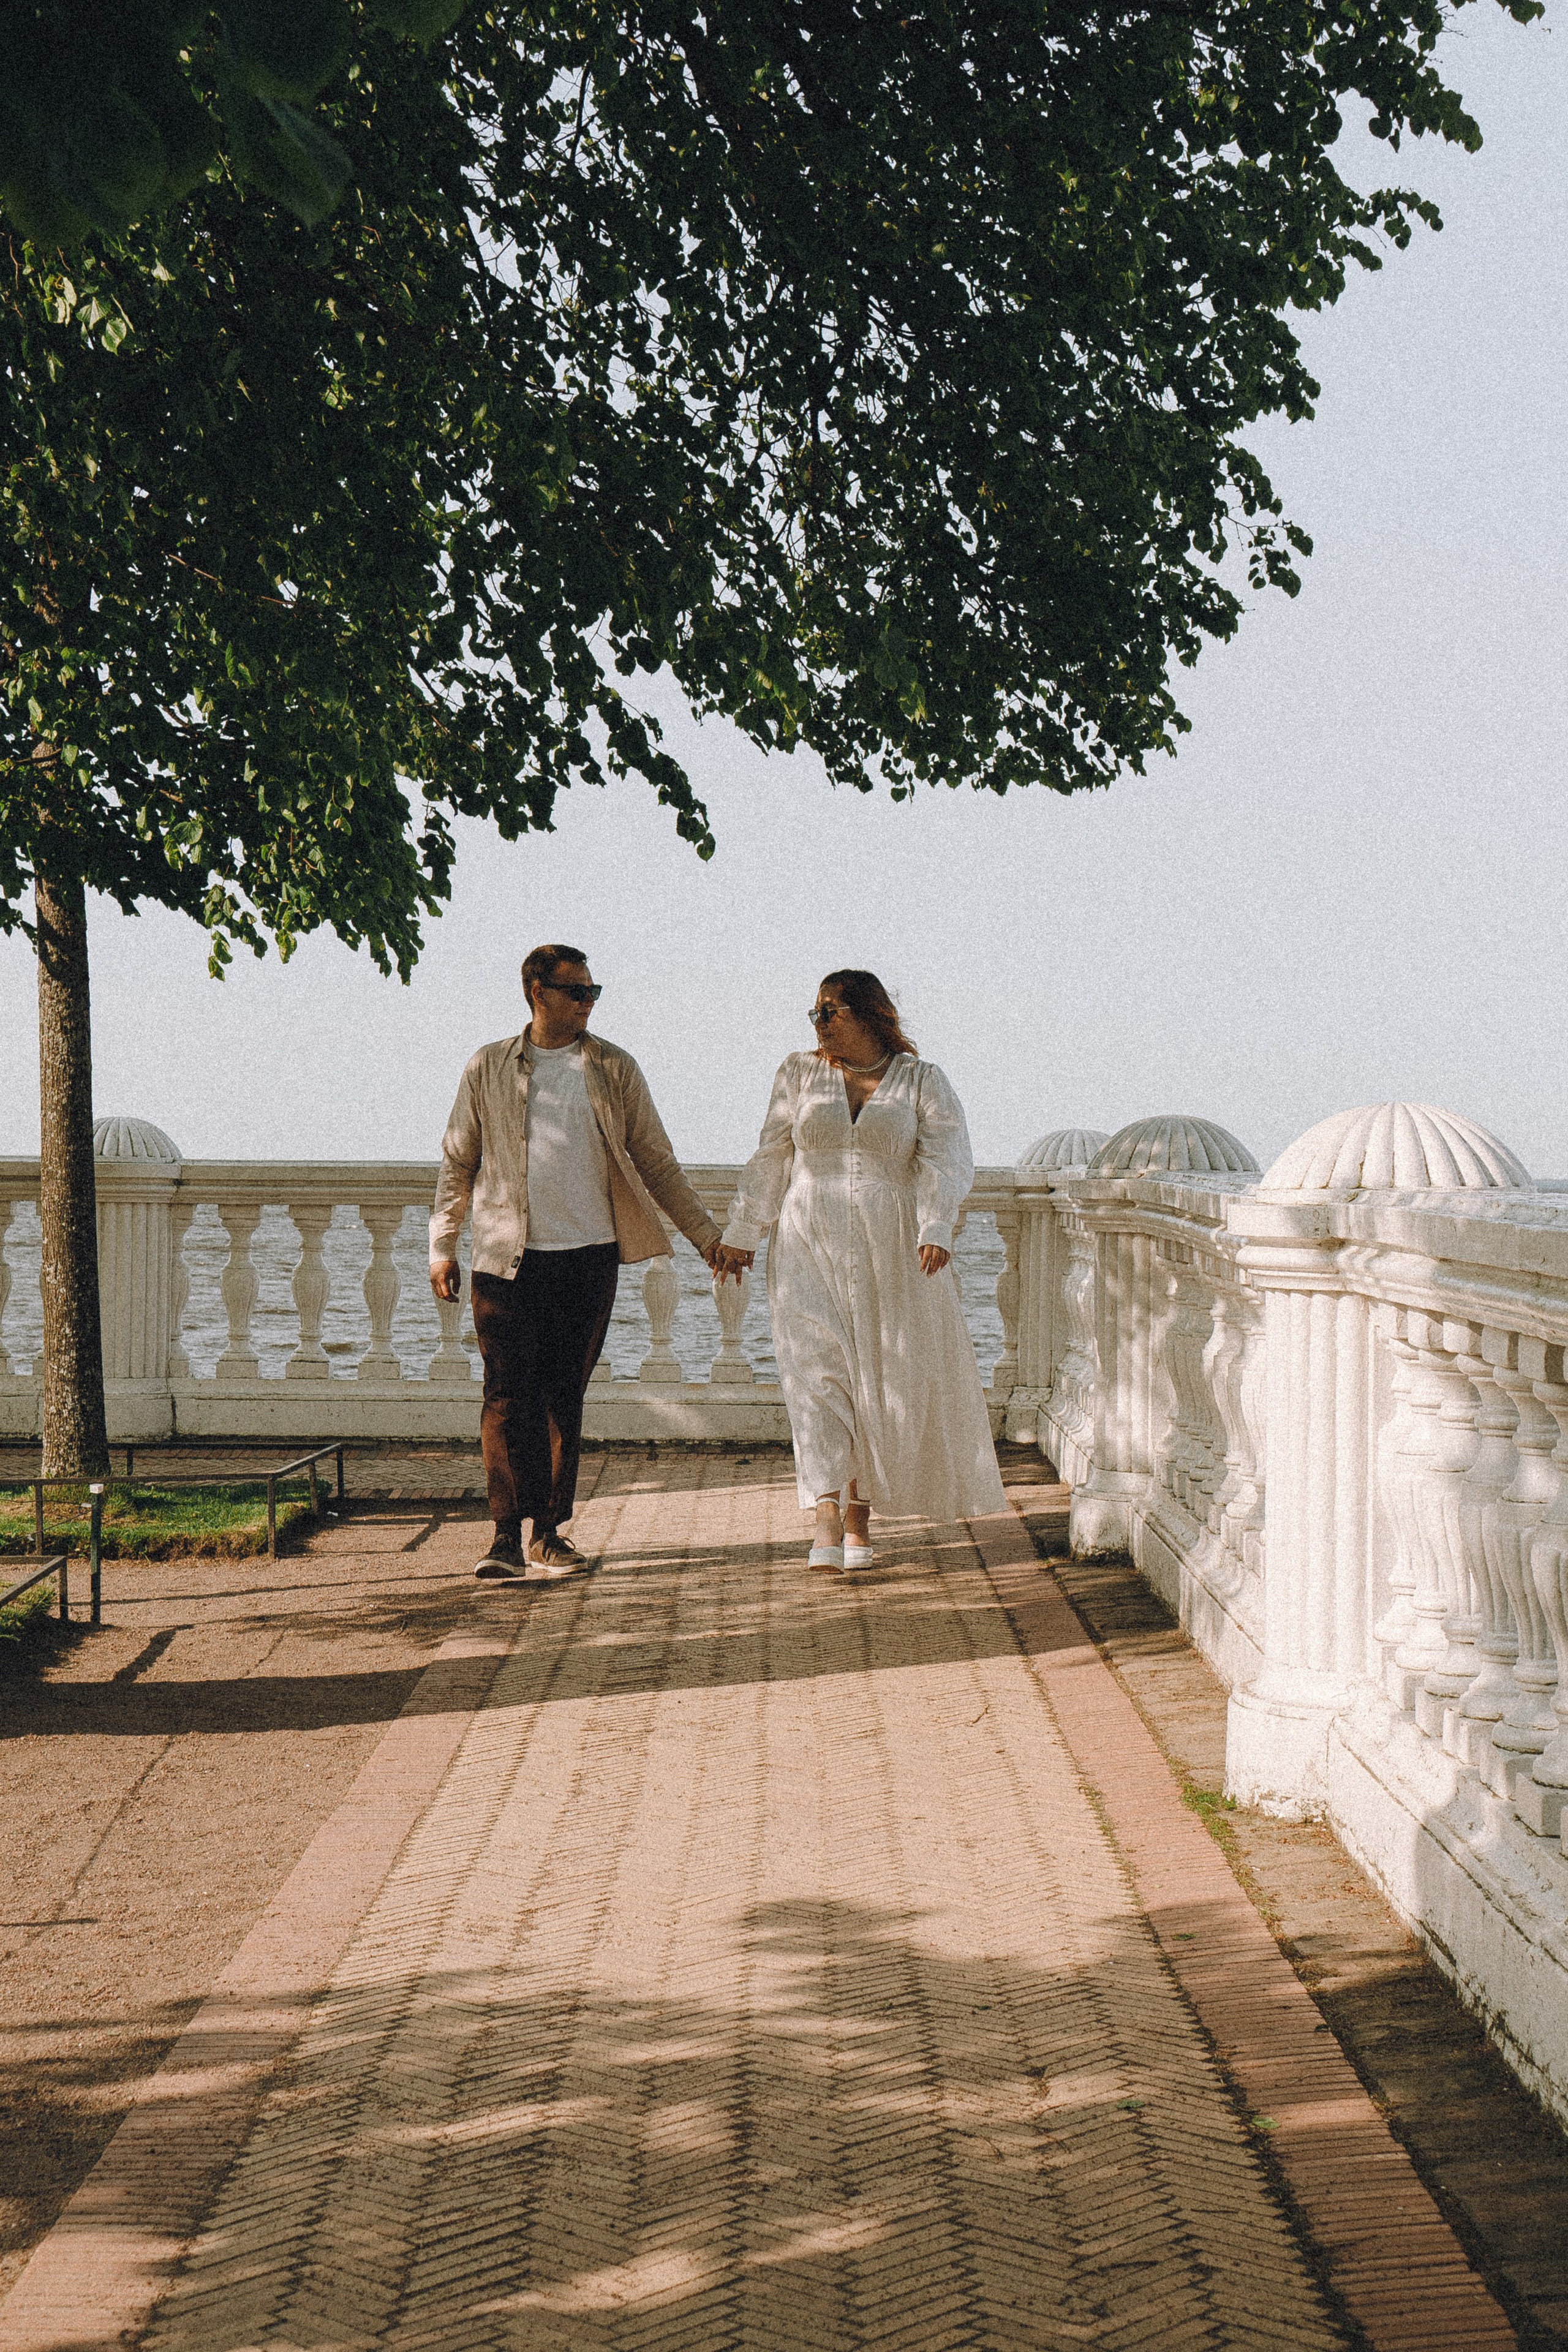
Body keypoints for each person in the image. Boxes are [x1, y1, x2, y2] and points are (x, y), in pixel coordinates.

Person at [431, 944, 724, 1580]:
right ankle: (505, 1537)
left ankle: (549, 1535)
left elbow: (656, 1160)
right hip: (505, 1260)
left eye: (594, 992)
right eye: (577, 991)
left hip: (587, 1257)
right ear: (539, 993)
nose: (589, 1002)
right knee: (506, 1395)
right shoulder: (487, 1066)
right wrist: (441, 1244)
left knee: (563, 1396)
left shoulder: (614, 1068)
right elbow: (459, 1160)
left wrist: (706, 1238)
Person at [714, 969, 1005, 1570]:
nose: (819, 1023)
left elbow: (946, 1160)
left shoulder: (922, 1081)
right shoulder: (798, 1074)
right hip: (806, 1236)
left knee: (882, 1376)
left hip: (893, 1241)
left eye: (831, 1011)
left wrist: (934, 1226)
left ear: (870, 1014)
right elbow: (772, 1154)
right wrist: (744, 1232)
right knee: (815, 1376)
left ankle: (858, 1519)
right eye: (814, 1013)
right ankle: (825, 1511)